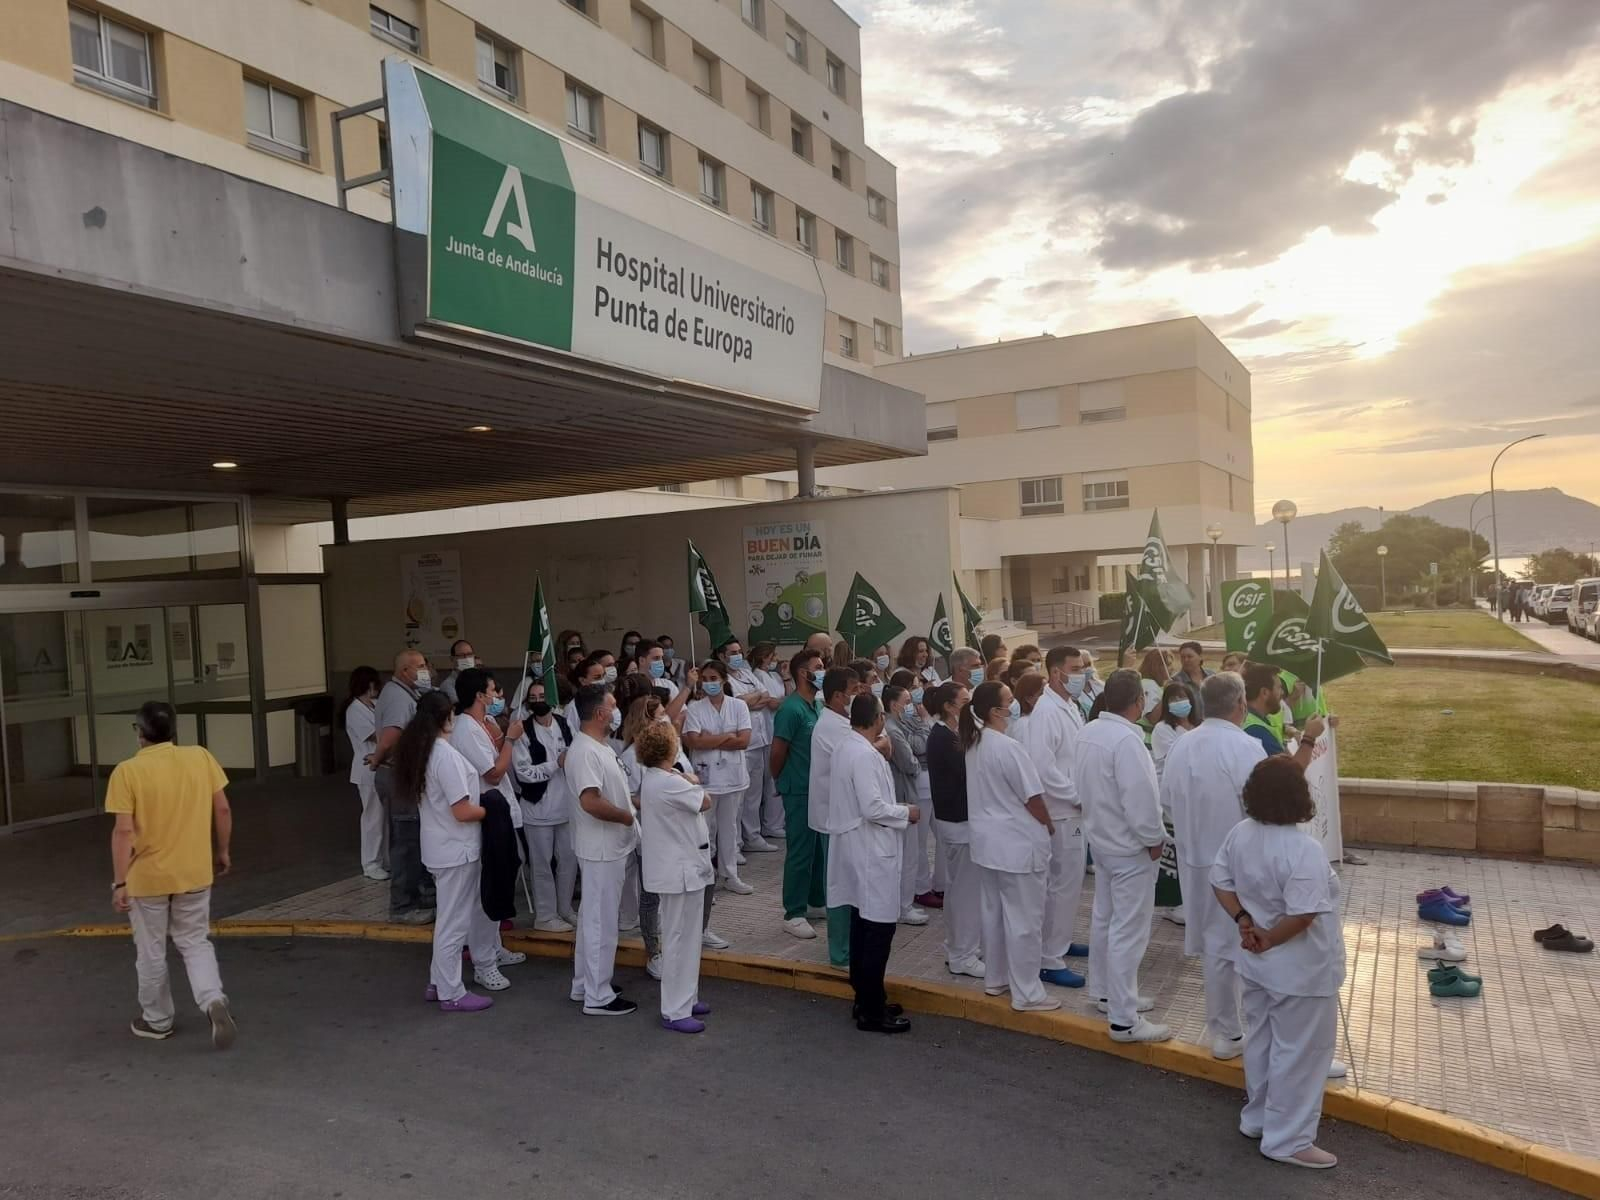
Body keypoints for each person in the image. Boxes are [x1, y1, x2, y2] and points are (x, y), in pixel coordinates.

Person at [1211, 757, 1347, 1169]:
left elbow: (1221, 882)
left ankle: (1258, 1118)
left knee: (1264, 1043)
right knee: (1301, 1055)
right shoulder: (1303, 849)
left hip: (1257, 966)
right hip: (1298, 972)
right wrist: (1268, 938)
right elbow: (1303, 914)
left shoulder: (1241, 833)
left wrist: (1244, 921)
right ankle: (1288, 1140)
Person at [107, 700, 237, 1047]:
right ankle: (213, 1000)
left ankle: (157, 1020)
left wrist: (120, 882)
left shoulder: (127, 772)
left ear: (140, 733)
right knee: (194, 941)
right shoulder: (200, 757)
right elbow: (222, 808)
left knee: (151, 951)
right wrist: (222, 850)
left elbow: (123, 833)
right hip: (194, 872)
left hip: (147, 879)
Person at [1161, 671, 1264, 1060]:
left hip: (1196, 862)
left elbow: (1167, 800)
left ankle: (1227, 1029)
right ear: (1240, 704)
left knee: (1215, 951)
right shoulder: (1247, 748)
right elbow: (1260, 809)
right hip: (1239, 868)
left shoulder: (1183, 746)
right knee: (1244, 947)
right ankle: (1242, 1030)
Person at [1075, 668, 1170, 1042]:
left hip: (1102, 841)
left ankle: (1105, 992)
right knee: (1128, 931)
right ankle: (1124, 1018)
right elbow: (1141, 800)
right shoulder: (1126, 742)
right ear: (1139, 702)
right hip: (1130, 848)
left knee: (1106, 921)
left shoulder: (1089, 732)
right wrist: (1154, 838)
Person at [391, 692, 500, 1013]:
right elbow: (463, 810)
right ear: (445, 718)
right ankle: (451, 991)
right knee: (454, 924)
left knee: (447, 920)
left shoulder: (424, 752)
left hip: (440, 847)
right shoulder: (445, 756)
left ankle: (439, 980)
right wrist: (492, 811)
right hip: (456, 850)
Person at [964, 681, 1060, 1013]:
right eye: (1009, 701)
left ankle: (997, 978)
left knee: (994, 915)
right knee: (1025, 921)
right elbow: (1032, 796)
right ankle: (1028, 992)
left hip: (989, 845)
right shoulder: (1007, 747)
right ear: (995, 711)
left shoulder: (975, 743)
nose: (1014, 705)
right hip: (1017, 845)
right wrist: (1048, 824)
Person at [828, 692, 918, 1033]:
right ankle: (871, 1010)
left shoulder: (848, 747)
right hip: (869, 851)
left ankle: (868, 996)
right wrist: (906, 812)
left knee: (861, 925)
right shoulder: (863, 755)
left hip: (859, 848)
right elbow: (874, 808)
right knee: (878, 929)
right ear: (878, 718)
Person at [445, 667, 527, 985]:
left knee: (500, 881)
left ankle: (493, 946)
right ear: (480, 695)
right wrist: (510, 739)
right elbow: (492, 773)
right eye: (493, 691)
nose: (497, 696)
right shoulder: (465, 728)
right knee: (487, 886)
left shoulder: (482, 725)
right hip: (486, 815)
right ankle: (482, 962)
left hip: (501, 812)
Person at [635, 720, 716, 1033]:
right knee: (679, 937)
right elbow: (705, 800)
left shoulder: (659, 779)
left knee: (688, 936)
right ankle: (674, 1008)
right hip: (678, 870)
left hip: (684, 868)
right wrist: (691, 779)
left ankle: (687, 996)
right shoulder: (669, 782)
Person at [566, 684, 639, 1016]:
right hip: (601, 847)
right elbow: (591, 800)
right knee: (601, 922)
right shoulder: (585, 751)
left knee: (592, 919)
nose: (617, 710)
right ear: (600, 713)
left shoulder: (601, 746)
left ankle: (585, 984)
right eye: (612, 705)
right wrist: (626, 816)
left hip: (609, 846)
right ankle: (599, 994)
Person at [1018, 652, 1090, 987]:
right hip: (1063, 811)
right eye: (1076, 670)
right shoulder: (1046, 712)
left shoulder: (1069, 706)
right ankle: (1049, 957)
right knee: (1062, 883)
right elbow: (1043, 767)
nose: (1083, 674)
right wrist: (1077, 796)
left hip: (1073, 808)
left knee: (1069, 883)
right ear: (1057, 673)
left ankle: (1060, 940)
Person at [372, 649, 435, 924]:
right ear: (404, 671)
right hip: (399, 775)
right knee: (406, 841)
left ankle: (420, 895)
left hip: (402, 774)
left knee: (412, 837)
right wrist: (377, 758)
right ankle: (403, 906)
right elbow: (391, 736)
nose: (425, 671)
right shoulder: (399, 697)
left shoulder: (405, 693)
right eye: (420, 666)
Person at [511, 679, 578, 931]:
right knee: (541, 864)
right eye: (534, 696)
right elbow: (523, 772)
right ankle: (545, 915)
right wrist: (555, 764)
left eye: (542, 695)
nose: (538, 700)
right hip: (537, 809)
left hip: (566, 807)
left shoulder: (564, 723)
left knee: (569, 860)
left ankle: (565, 908)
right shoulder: (523, 730)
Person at [683, 659, 755, 895]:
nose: (709, 683)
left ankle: (730, 874)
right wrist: (727, 737)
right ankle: (705, 877)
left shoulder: (738, 706)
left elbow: (743, 741)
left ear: (723, 679)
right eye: (705, 679)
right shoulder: (695, 708)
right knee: (704, 829)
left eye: (714, 678)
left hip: (733, 776)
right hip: (706, 778)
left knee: (729, 827)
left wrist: (711, 739)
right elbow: (693, 741)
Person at [925, 682, 982, 977]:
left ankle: (958, 948)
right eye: (965, 701)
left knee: (962, 891)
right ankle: (963, 955)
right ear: (949, 706)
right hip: (957, 823)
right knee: (964, 893)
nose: (970, 706)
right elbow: (968, 772)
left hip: (959, 821)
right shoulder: (943, 738)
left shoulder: (952, 734)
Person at [810, 665, 862, 969]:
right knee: (840, 886)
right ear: (840, 695)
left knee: (847, 884)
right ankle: (840, 953)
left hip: (842, 817)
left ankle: (848, 945)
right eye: (855, 690)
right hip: (835, 819)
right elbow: (870, 750)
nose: (859, 695)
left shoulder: (841, 721)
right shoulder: (833, 726)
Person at [772, 648, 825, 940]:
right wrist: (781, 779)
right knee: (801, 852)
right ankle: (793, 912)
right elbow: (778, 751)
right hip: (798, 789)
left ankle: (815, 901)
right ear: (804, 673)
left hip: (816, 788)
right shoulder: (790, 709)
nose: (823, 669)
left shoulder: (816, 705)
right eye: (819, 666)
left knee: (817, 850)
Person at [721, 638, 783, 855]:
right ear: (722, 656)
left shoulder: (746, 674)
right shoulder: (725, 680)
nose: (737, 655)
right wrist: (753, 700)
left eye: (739, 651)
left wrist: (751, 701)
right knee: (740, 797)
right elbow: (738, 703)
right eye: (732, 652)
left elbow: (766, 696)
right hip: (742, 744)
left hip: (761, 739)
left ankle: (753, 836)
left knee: (756, 793)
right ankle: (735, 844)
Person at [1152, 679, 1198, 927]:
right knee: (1176, 848)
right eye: (1175, 699)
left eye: (1184, 698)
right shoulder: (1162, 729)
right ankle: (1174, 902)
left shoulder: (1197, 725)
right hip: (1171, 796)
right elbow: (1176, 757)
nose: (1181, 703)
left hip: (1193, 796)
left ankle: (1190, 898)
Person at [883, 683, 930, 927]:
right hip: (903, 794)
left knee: (908, 854)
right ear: (893, 704)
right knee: (907, 855)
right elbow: (911, 764)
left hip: (904, 792)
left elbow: (922, 748)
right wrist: (916, 756)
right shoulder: (892, 729)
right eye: (907, 701)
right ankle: (904, 905)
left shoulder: (902, 724)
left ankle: (903, 903)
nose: (911, 706)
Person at [341, 665, 388, 881]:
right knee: (373, 817)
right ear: (368, 684)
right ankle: (370, 863)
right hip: (366, 769)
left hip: (383, 767)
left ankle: (385, 859)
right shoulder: (354, 710)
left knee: (385, 818)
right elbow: (376, 736)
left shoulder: (375, 704)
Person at [1242, 664, 1326, 768]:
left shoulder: (1257, 717)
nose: (1282, 693)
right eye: (1279, 688)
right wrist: (1309, 737)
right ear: (1264, 692)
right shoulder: (1255, 730)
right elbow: (1292, 771)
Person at [436, 638, 476, 706]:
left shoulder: (479, 680)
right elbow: (461, 708)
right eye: (461, 655)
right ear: (452, 659)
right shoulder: (447, 686)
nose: (466, 658)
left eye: (469, 654)